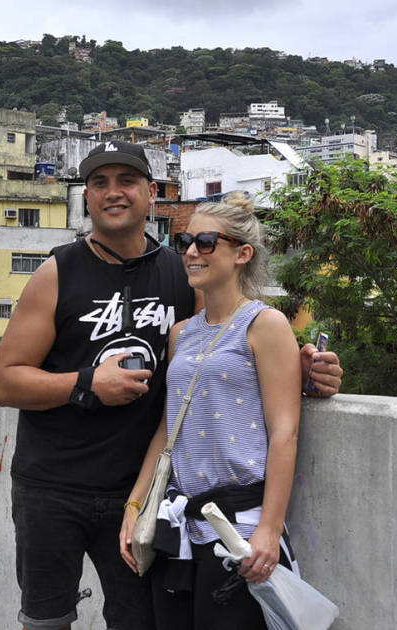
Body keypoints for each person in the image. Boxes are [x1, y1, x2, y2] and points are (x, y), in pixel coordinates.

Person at [0, 141, 342, 630]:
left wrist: (302, 369)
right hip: (52, 486)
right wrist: (89, 383)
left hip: (141, 495)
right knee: (46, 620)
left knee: (139, 622)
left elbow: (226, 352)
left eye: (127, 181)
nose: (113, 193)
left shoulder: (182, 273)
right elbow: (5, 382)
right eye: (99, 183)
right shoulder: (57, 271)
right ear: (86, 197)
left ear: (151, 193)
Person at [119, 193, 301, 629]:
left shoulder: (266, 325)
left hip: (239, 526)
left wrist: (270, 531)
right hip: (180, 528)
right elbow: (168, 430)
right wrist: (135, 505)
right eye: (185, 240)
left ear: (242, 254)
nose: (191, 251)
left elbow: (284, 432)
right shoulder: (182, 333)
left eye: (205, 241)